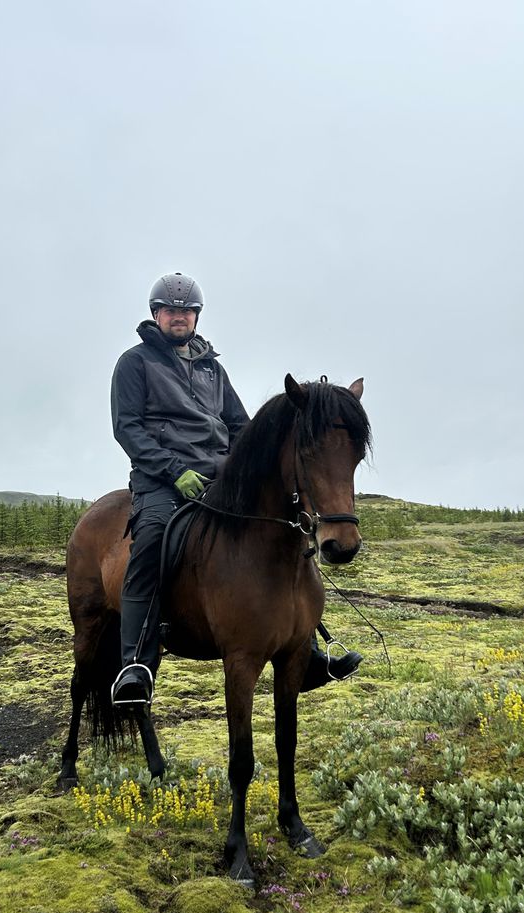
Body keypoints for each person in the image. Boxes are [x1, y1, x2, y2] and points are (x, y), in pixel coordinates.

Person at [110, 272, 363, 706]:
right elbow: (128, 428)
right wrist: (173, 471)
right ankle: (136, 663)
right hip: (160, 481)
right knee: (151, 538)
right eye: (170, 311)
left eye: (186, 311)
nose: (179, 318)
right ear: (156, 315)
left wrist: (242, 469)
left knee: (287, 530)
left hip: (218, 477)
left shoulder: (213, 368)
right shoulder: (134, 363)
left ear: (196, 317)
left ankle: (307, 645)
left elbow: (240, 428)